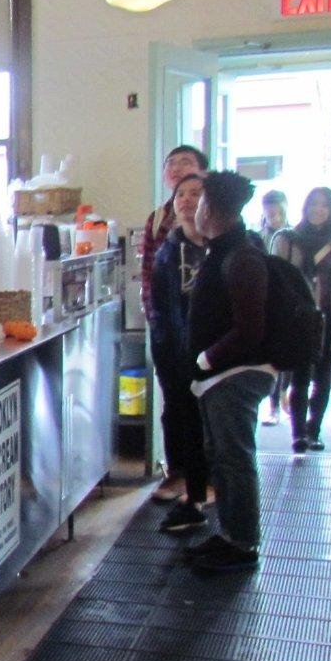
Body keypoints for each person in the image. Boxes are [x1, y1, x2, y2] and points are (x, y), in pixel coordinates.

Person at [185, 171, 277, 572]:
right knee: (221, 457)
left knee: (234, 458)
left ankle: (243, 544)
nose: (193, 209)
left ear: (212, 208)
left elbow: (251, 328)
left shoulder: (242, 257)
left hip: (236, 375)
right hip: (221, 375)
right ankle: (229, 534)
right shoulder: (226, 250)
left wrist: (206, 359)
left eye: (199, 201)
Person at [141, 144, 209, 500]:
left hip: (207, 335)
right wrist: (155, 319)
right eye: (172, 165)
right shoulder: (159, 219)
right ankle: (178, 472)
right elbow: (148, 275)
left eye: (187, 165)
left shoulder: (218, 222)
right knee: (174, 402)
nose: (178, 170)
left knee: (206, 404)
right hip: (167, 328)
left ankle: (209, 477)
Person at [271, 187, 331, 452]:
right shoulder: (287, 239)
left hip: (327, 318)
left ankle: (314, 429)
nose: (318, 209)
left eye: (324, 205)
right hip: (298, 319)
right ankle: (298, 434)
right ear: (304, 208)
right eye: (313, 204)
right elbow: (275, 280)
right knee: (300, 376)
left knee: (324, 377)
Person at [256, 190, 290, 424]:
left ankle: (281, 400)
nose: (273, 216)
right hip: (263, 303)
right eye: (269, 211)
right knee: (269, 358)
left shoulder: (293, 236)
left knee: (285, 358)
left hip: (285, 303)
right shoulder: (257, 236)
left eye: (277, 210)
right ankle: (272, 404)